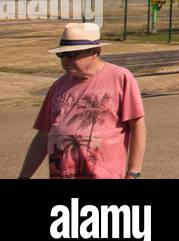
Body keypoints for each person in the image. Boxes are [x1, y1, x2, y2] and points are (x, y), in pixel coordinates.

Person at [20, 23, 145, 180]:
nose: (66, 59)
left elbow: (137, 125)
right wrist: (24, 176)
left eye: (73, 54)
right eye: (62, 55)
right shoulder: (58, 86)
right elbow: (43, 134)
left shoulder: (120, 78)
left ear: (95, 52)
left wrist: (133, 172)